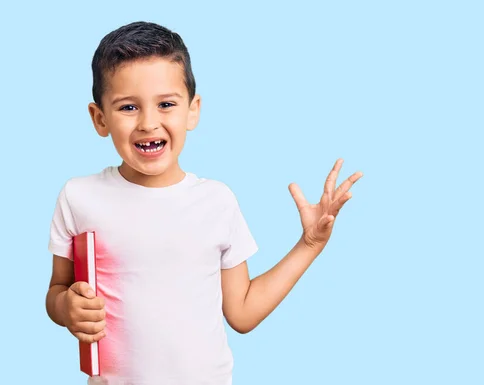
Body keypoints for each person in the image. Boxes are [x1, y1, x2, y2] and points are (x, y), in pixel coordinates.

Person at [45, 21, 362, 385]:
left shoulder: (216, 201)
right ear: (99, 118)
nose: (149, 123)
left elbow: (242, 312)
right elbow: (57, 290)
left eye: (166, 104)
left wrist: (310, 245)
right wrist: (66, 308)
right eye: (128, 107)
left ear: (193, 110)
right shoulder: (79, 197)